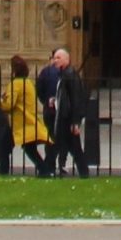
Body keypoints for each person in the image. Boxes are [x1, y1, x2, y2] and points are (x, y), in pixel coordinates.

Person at [37, 44, 90, 178]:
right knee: (62, 146)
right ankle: (50, 170)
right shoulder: (64, 74)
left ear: (67, 59)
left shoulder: (70, 75)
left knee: (65, 147)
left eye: (58, 58)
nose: (55, 60)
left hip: (67, 120)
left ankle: (48, 170)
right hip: (63, 118)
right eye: (54, 58)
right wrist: (54, 101)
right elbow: (65, 98)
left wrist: (75, 122)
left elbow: (76, 99)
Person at [0, 55, 51, 174]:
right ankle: (44, 171)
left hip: (18, 123)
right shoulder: (28, 83)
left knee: (4, 148)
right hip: (28, 121)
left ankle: (3, 172)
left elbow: (9, 104)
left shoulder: (16, 84)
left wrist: (0, 101)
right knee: (29, 149)